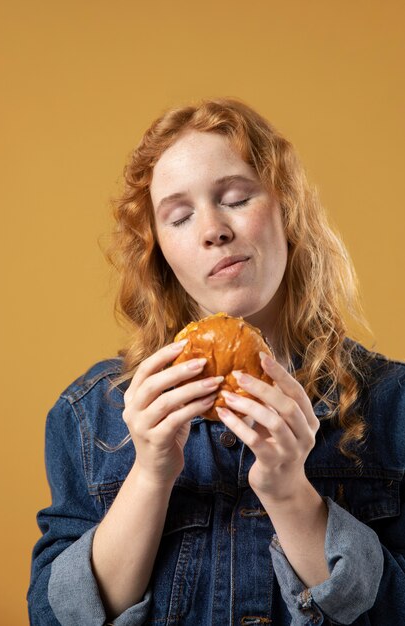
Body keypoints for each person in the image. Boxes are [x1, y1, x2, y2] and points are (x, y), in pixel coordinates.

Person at [28, 98, 405, 626]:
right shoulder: (90, 415)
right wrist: (150, 475)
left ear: (287, 209)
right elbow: (53, 616)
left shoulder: (394, 405)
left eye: (235, 198)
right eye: (179, 217)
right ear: (161, 252)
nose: (212, 230)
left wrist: (290, 493)